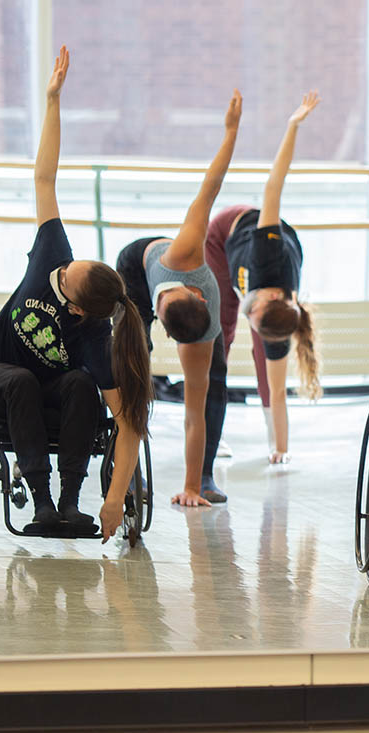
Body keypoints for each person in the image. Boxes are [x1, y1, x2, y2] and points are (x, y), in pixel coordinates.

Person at [0, 46, 152, 542]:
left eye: (68, 279)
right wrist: (53, 100)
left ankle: (69, 504)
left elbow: (128, 424)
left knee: (81, 386)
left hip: (41, 397)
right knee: (18, 379)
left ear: (77, 310)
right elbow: (44, 176)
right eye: (70, 268)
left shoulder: (94, 334)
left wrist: (115, 499)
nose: (63, 270)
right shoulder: (54, 250)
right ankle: (39, 502)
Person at [116, 89, 242, 506]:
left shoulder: (197, 339)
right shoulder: (184, 253)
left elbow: (193, 416)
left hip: (178, 303)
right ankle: (126, 472)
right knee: (131, 370)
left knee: (210, 387)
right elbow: (210, 185)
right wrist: (230, 130)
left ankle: (202, 477)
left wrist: (189, 488)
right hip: (137, 265)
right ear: (198, 297)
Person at [206, 92, 323, 466]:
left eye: (251, 317)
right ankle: (212, 434)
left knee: (266, 363)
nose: (248, 315)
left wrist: (281, 451)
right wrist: (293, 125)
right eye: (252, 314)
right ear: (271, 296)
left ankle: (274, 440)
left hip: (255, 275)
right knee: (220, 335)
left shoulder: (280, 320)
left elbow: (278, 388)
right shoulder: (267, 255)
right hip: (226, 233)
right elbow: (274, 185)